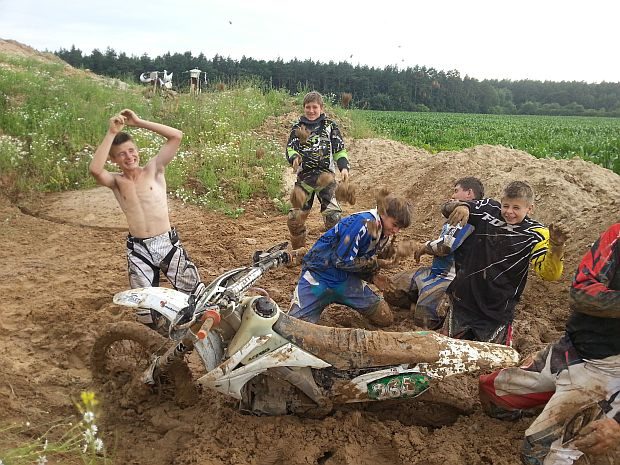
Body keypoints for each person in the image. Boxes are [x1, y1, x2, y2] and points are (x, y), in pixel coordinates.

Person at [479, 222, 620, 465]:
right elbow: (582, 293)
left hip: (608, 370)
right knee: (492, 390)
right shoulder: (617, 234)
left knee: (538, 453)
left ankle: (596, 411)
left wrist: (617, 425)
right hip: (572, 347)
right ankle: (561, 398)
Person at [89, 109, 200, 304]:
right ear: (113, 160)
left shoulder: (153, 170)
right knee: (144, 305)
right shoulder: (116, 182)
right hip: (139, 249)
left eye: (131, 150)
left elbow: (176, 136)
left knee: (195, 296)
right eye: (121, 154)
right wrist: (112, 132)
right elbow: (95, 170)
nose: (129, 156)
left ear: (137, 150)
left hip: (167, 243)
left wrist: (139, 122)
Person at [441, 181, 569, 345]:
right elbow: (446, 208)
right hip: (463, 300)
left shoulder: (536, 233)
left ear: (530, 208)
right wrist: (463, 206)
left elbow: (549, 274)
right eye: (506, 206)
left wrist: (556, 247)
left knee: (492, 358)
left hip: (496, 311)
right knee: (445, 350)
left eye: (516, 208)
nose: (509, 212)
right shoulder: (488, 209)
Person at [288, 189, 411, 327]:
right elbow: (341, 261)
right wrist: (375, 265)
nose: (396, 231)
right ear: (383, 213)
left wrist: (373, 277)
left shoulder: (382, 234)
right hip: (319, 276)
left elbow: (358, 259)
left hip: (345, 280)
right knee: (293, 326)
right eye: (394, 225)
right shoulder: (362, 223)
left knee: (385, 318)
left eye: (399, 228)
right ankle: (302, 256)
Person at [383, 177, 484, 329]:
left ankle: (443, 309)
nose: (453, 195)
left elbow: (446, 246)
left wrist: (422, 246)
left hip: (451, 279)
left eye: (456, 191)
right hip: (435, 272)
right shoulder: (457, 214)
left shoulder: (471, 218)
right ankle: (421, 301)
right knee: (390, 288)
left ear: (469, 193)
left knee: (425, 319)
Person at [286, 91, 349, 249]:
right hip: (304, 179)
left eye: (315, 107)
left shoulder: (330, 126)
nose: (311, 110)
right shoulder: (297, 127)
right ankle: (298, 251)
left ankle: (335, 250)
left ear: (321, 108)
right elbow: (290, 148)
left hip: (326, 177)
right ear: (304, 108)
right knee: (294, 219)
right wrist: (294, 158)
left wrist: (343, 167)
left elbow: (339, 149)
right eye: (308, 107)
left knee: (333, 217)